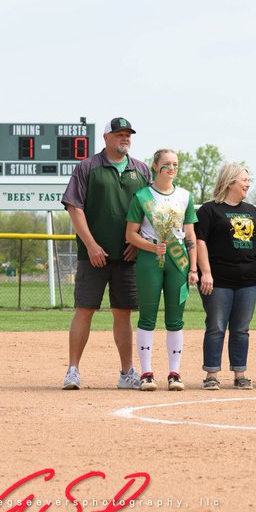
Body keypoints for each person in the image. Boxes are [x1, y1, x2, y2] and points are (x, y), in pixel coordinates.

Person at [60, 117, 151, 390]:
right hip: (93, 255)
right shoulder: (88, 167)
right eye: (119, 134)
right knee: (84, 310)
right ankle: (73, 370)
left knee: (123, 313)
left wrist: (140, 241)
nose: (125, 138)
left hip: (128, 256)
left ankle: (126, 373)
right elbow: (74, 208)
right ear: (106, 138)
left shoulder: (141, 170)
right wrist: (90, 244)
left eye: (128, 134)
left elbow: (150, 211)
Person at [125, 149, 199, 391]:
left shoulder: (185, 196)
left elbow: (190, 235)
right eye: (166, 164)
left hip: (178, 262)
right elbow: (130, 235)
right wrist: (152, 247)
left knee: (175, 319)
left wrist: (193, 268)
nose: (171, 168)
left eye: (175, 164)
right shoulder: (142, 196)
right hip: (149, 260)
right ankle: (146, 373)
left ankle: (174, 373)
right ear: (155, 167)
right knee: (147, 316)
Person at [196, 163, 256, 390]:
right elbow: (200, 242)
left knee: (241, 328)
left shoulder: (251, 210)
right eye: (244, 180)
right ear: (230, 182)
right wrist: (206, 273)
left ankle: (240, 374)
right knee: (216, 326)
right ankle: (211, 374)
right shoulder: (209, 210)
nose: (248, 184)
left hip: (248, 280)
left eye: (249, 180)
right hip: (218, 279)